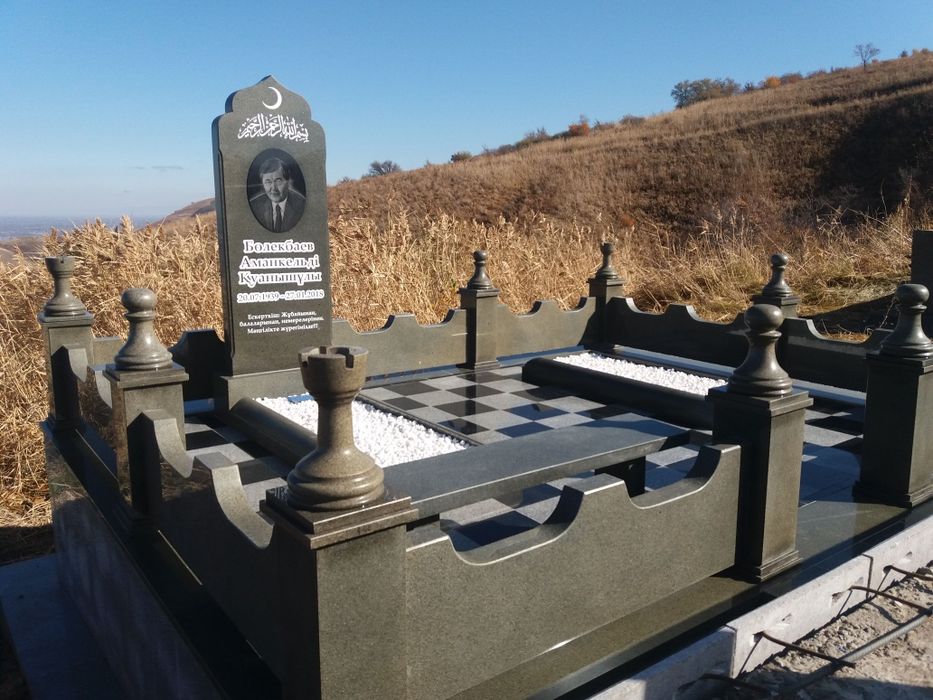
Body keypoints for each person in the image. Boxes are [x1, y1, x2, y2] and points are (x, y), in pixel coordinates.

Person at [248, 157, 305, 232]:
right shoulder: (255, 206)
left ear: (288, 182)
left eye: (278, 181)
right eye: (268, 182)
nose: (273, 188)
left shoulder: (301, 205)